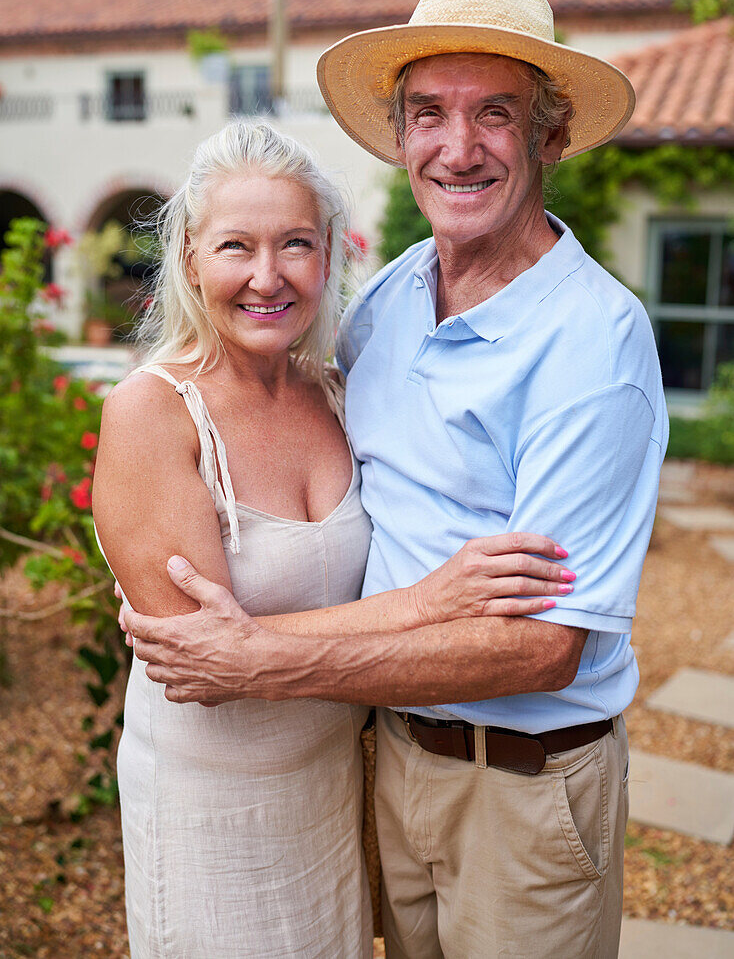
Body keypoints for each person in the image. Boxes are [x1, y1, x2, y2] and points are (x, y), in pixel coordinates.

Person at [123, 0, 668, 958]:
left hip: (522, 789)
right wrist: (429, 599)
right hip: (378, 766)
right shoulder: (387, 303)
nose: (456, 147)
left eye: (493, 114)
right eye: (428, 112)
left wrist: (259, 657)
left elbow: (541, 647)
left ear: (547, 135)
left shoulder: (595, 345)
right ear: (401, 134)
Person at [94, 117, 572, 958]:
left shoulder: (339, 393)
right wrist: (428, 601)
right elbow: (205, 667)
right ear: (191, 258)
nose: (267, 277)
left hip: (335, 794)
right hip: (211, 806)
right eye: (237, 246)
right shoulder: (154, 412)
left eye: (296, 245)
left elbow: (253, 639)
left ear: (329, 254)